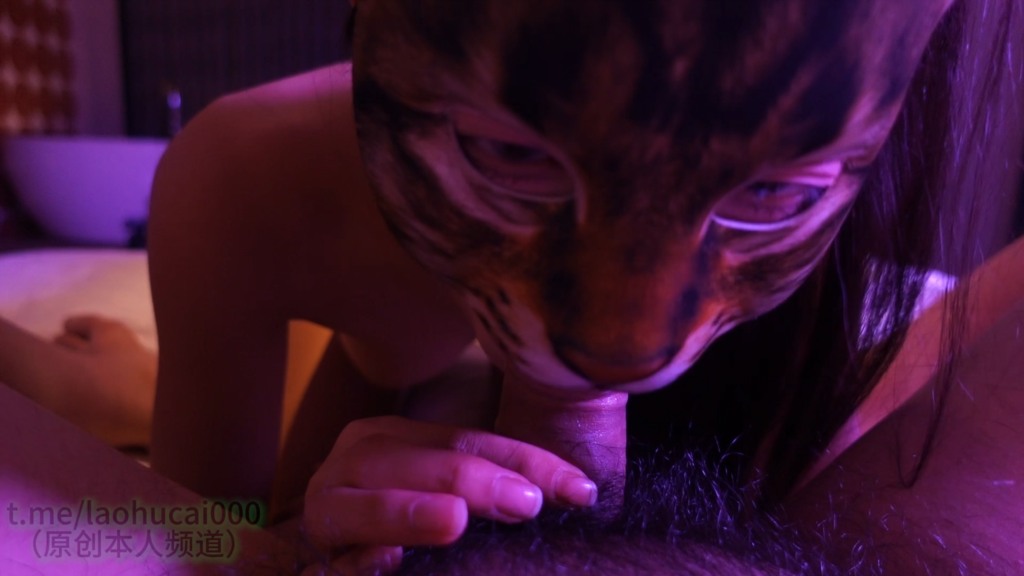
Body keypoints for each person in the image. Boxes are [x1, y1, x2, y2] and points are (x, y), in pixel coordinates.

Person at [2, 0, 1021, 573]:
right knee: (375, 363)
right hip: (378, 359)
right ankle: (115, 384)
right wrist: (290, 538)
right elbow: (196, 531)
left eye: (771, 192)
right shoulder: (249, 179)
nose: (620, 339)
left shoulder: (845, 238)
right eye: (511, 154)